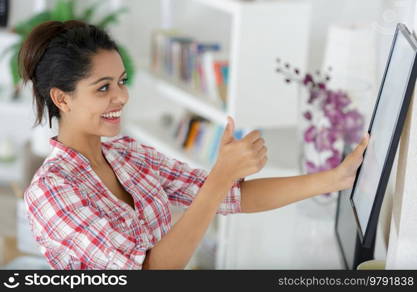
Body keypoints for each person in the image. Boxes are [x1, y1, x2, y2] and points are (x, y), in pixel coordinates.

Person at [21, 20, 369, 270]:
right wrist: (220, 176)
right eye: (103, 87)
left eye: (122, 82)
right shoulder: (52, 191)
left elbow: (233, 196)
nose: (121, 96)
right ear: (62, 99)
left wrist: (334, 179)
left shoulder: (128, 153)